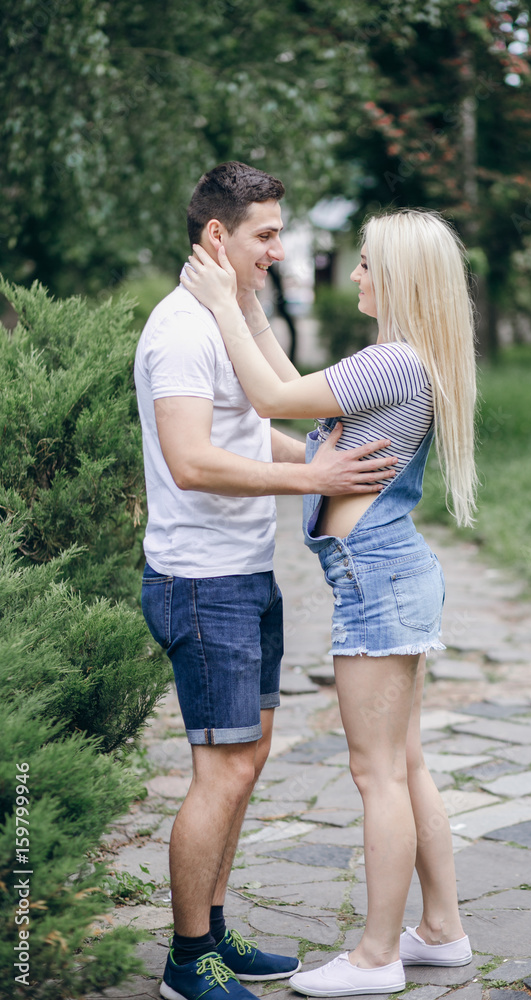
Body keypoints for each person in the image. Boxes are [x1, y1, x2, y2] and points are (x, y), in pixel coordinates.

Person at [181, 207, 478, 997]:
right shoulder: (399, 361)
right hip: (387, 575)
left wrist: (221, 305)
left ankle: (377, 957)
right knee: (404, 764)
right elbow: (299, 398)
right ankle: (440, 931)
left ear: (401, 278)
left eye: (367, 263)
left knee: (376, 772)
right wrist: (248, 307)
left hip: (375, 582)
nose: (354, 274)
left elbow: (271, 396)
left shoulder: (393, 365)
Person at [134, 161, 398, 1000]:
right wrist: (312, 479)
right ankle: (187, 960)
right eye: (266, 235)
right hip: (201, 582)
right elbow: (191, 460)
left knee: (244, 765)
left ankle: (212, 932)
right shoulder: (181, 330)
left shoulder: (225, 319)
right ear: (217, 234)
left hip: (245, 574)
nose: (279, 250)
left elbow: (249, 435)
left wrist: (320, 458)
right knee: (221, 772)